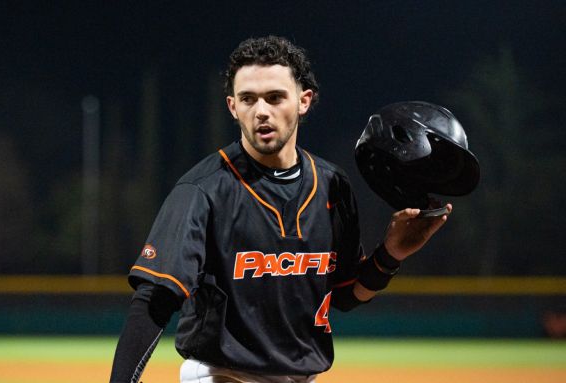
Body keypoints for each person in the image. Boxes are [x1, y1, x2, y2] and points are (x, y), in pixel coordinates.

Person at [109, 35, 452, 383]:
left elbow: (347, 294)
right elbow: (155, 300)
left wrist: (391, 254)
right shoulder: (203, 189)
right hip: (223, 374)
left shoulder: (333, 186)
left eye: (275, 97)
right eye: (248, 99)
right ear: (232, 107)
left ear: (304, 101)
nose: (261, 111)